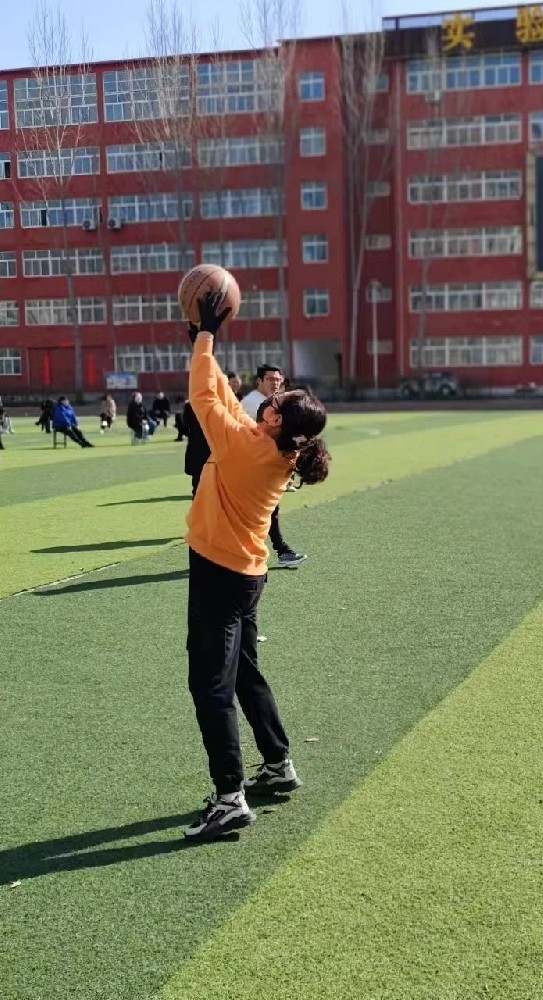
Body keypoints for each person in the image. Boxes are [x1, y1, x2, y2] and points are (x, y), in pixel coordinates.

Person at [183, 293, 330, 840]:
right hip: (245, 574)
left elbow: (205, 397)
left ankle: (229, 799)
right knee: (243, 670)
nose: (269, 397)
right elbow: (224, 397)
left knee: (210, 686)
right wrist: (204, 343)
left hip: (220, 575)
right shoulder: (273, 447)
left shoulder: (247, 449)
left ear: (275, 418)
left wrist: (206, 338)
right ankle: (278, 763)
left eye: (275, 399)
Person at [242, 365, 306, 569]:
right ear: (259, 381)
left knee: (268, 510)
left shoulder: (272, 402)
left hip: (263, 466)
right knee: (261, 512)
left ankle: (279, 551)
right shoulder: (254, 402)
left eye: (278, 379)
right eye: (270, 379)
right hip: (251, 465)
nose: (275, 383)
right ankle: (278, 551)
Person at [184, 372, 242, 495]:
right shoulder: (219, 404)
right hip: (207, 451)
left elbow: (186, 427)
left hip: (207, 451)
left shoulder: (193, 403)